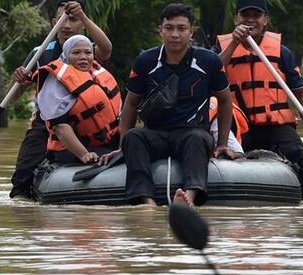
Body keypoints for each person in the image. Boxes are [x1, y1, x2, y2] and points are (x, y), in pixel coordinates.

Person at [100, 3, 233, 207]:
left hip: (192, 133)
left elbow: (224, 100)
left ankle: (189, 195)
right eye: (169, 28)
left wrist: (222, 144)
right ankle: (146, 201)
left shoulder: (209, 61)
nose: (175, 34)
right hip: (156, 134)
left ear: (191, 32)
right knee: (134, 137)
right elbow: (131, 104)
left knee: (197, 138)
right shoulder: (145, 61)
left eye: (181, 28)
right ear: (160, 30)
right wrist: (121, 146)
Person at [214, 0, 303, 200]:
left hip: (274, 125)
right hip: (237, 126)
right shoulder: (222, 48)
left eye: (256, 15)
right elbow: (211, 70)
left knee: (299, 155)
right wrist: (235, 43)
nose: (250, 20)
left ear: (266, 20)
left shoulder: (281, 52)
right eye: (245, 15)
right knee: (223, 159)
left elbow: (302, 90)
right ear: (236, 19)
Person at [9, 0, 112, 197]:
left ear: (82, 23)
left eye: (73, 19)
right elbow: (14, 97)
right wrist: (19, 81)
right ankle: (24, 197)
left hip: (89, 122)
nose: (66, 26)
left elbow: (106, 48)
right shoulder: (40, 53)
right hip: (47, 124)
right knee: (23, 173)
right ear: (53, 22)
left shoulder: (88, 51)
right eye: (61, 20)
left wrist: (82, 16)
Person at [35, 35, 121, 164]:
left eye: (88, 52)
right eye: (76, 53)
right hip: (70, 148)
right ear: (66, 55)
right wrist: (84, 154)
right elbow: (59, 127)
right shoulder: (55, 82)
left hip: (105, 142)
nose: (83, 57)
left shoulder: (95, 73)